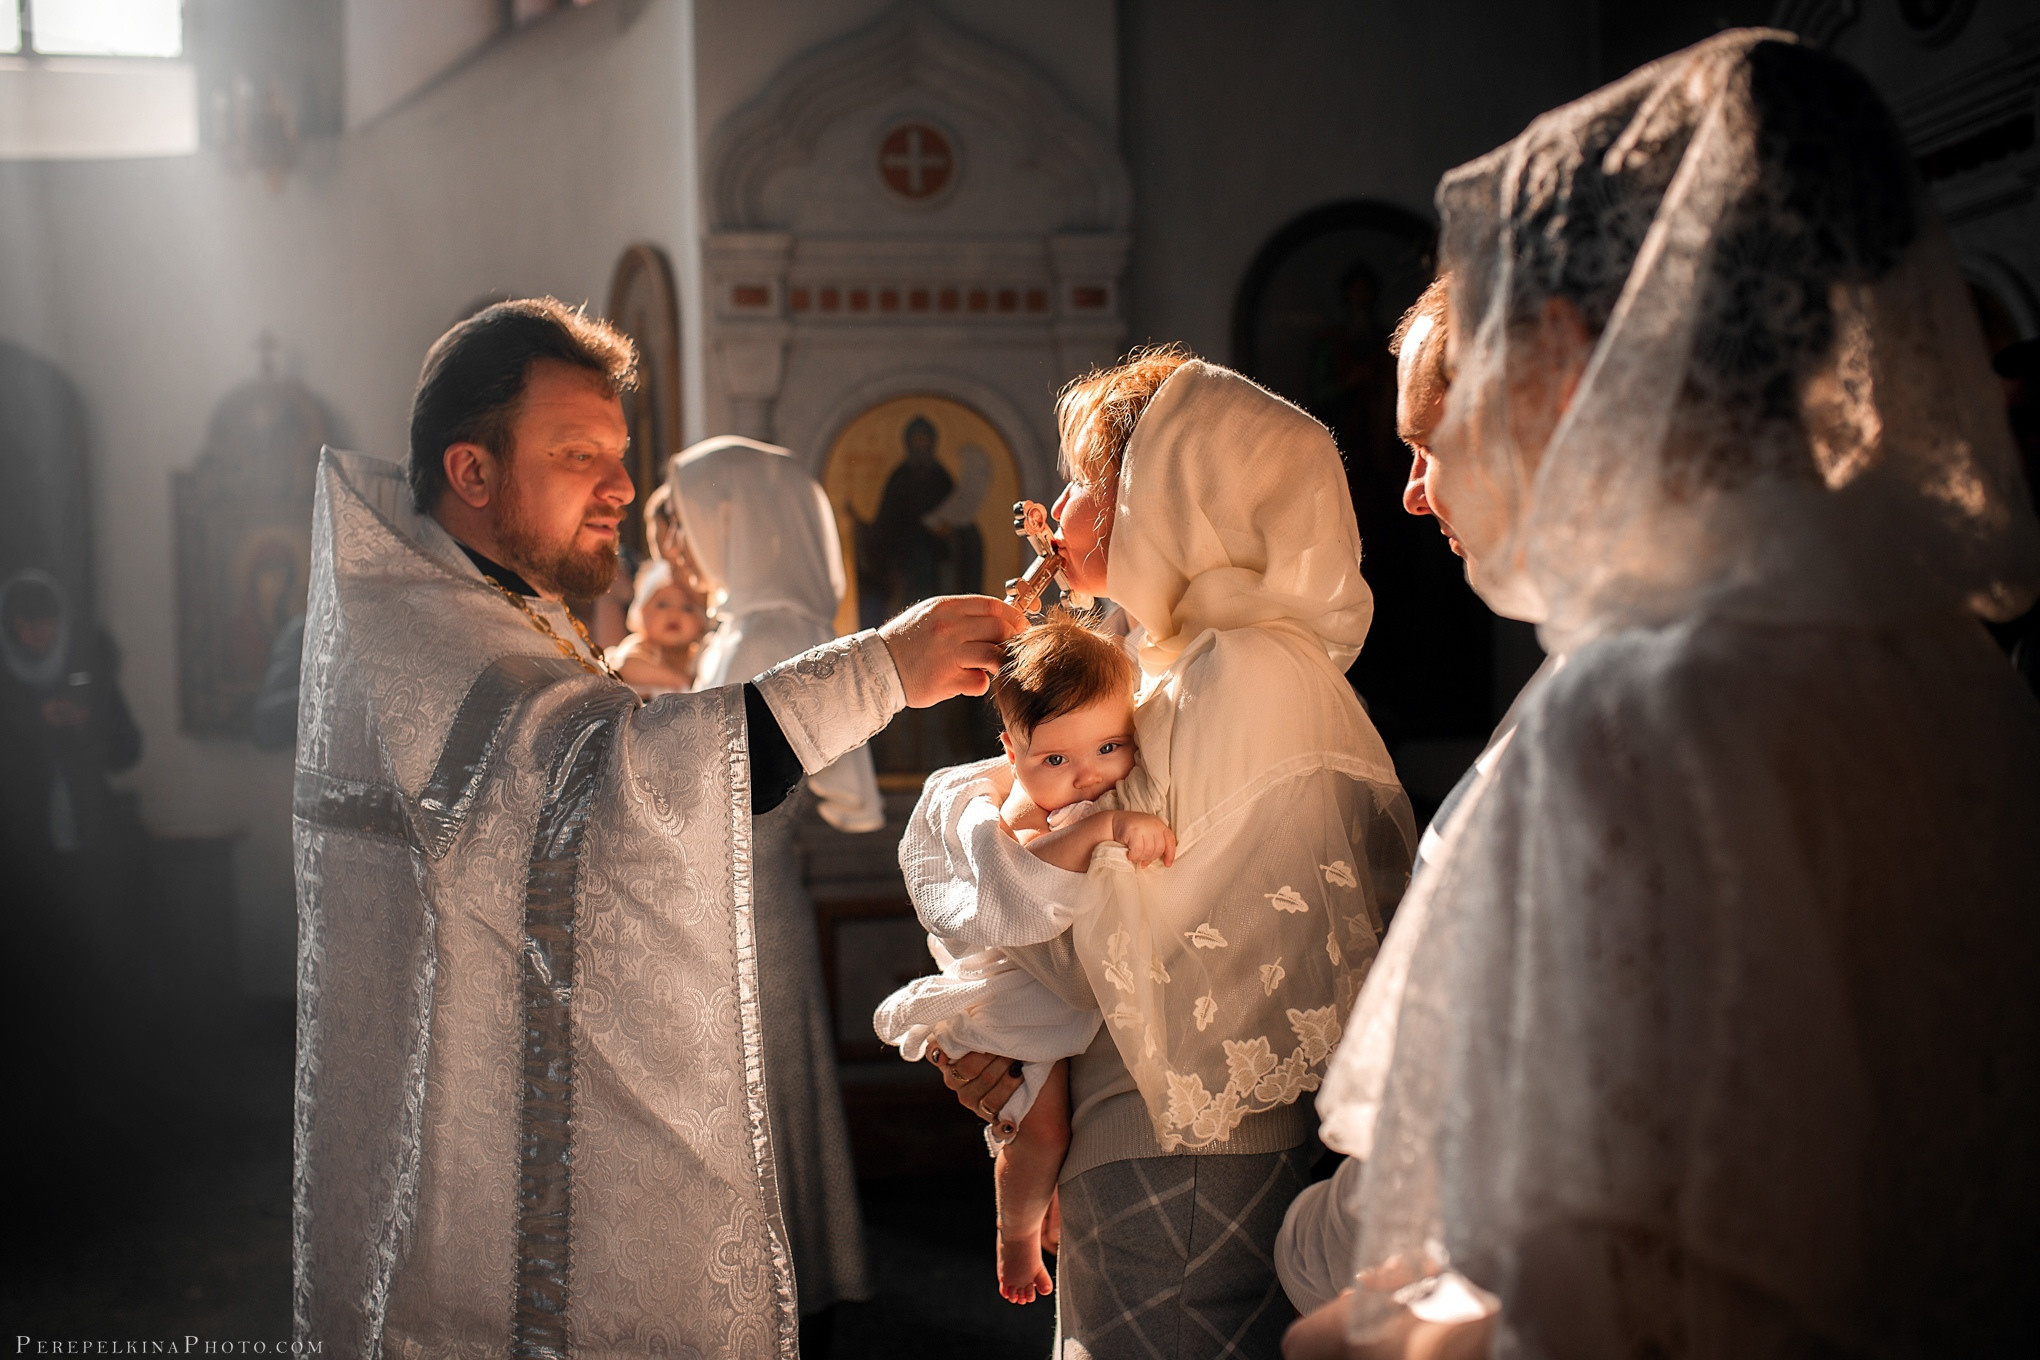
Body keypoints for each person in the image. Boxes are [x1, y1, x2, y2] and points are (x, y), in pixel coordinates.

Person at [1287, 31, 2040, 1360]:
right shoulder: (1945, 649)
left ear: (1567, 353)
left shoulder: (1638, 705)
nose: (1434, 468)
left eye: (1465, 400)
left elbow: (1570, 1296)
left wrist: (1338, 1339)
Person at [293, 298, 1023, 1358]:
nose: (626, 489)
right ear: (473, 471)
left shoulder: (485, 601)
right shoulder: (430, 633)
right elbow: (613, 777)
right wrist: (879, 670)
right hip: (466, 1189)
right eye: (579, 453)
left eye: (621, 455)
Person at [935, 347, 1416, 1358]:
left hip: (1183, 1156)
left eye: (1081, 483)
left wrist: (969, 823)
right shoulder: (1195, 662)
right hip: (1157, 1140)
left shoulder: (1238, 673)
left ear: (1166, 499)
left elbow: (1110, 935)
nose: (1058, 509)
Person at [875, 611, 1177, 1306]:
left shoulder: (1076, 778)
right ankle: (1014, 1237)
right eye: (1056, 761)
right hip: (1005, 990)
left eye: (1110, 746)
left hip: (1057, 995)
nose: (1089, 776)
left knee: (1055, 1124)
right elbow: (1022, 881)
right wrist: (1106, 826)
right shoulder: (1019, 811)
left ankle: (1040, 1218)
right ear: (1012, 752)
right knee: (1040, 1133)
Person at [668, 435, 889, 1347]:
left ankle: (789, 1299)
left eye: (691, 515)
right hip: (727, 897)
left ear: (734, 517)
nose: (682, 537)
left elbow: (840, 785)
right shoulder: (743, 622)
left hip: (750, 901)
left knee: (770, 1097)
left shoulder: (774, 630)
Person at [604, 557, 709, 696]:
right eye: (662, 605)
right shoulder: (643, 644)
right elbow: (626, 667)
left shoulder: (699, 653)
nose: (674, 613)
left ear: (700, 624)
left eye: (687, 608)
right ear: (641, 613)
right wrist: (681, 680)